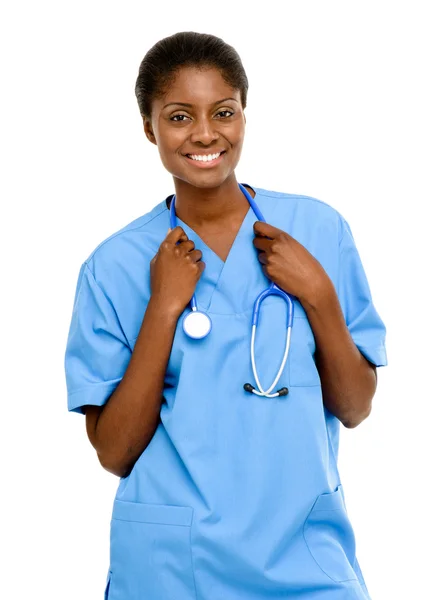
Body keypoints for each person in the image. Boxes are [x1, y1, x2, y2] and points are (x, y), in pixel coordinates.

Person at [64, 31, 387, 600]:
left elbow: (356, 407)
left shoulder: (318, 230)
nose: (205, 134)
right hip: (173, 566)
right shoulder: (113, 266)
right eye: (180, 116)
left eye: (223, 112)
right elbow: (114, 452)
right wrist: (163, 308)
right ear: (149, 128)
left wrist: (319, 295)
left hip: (304, 555)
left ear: (244, 115)